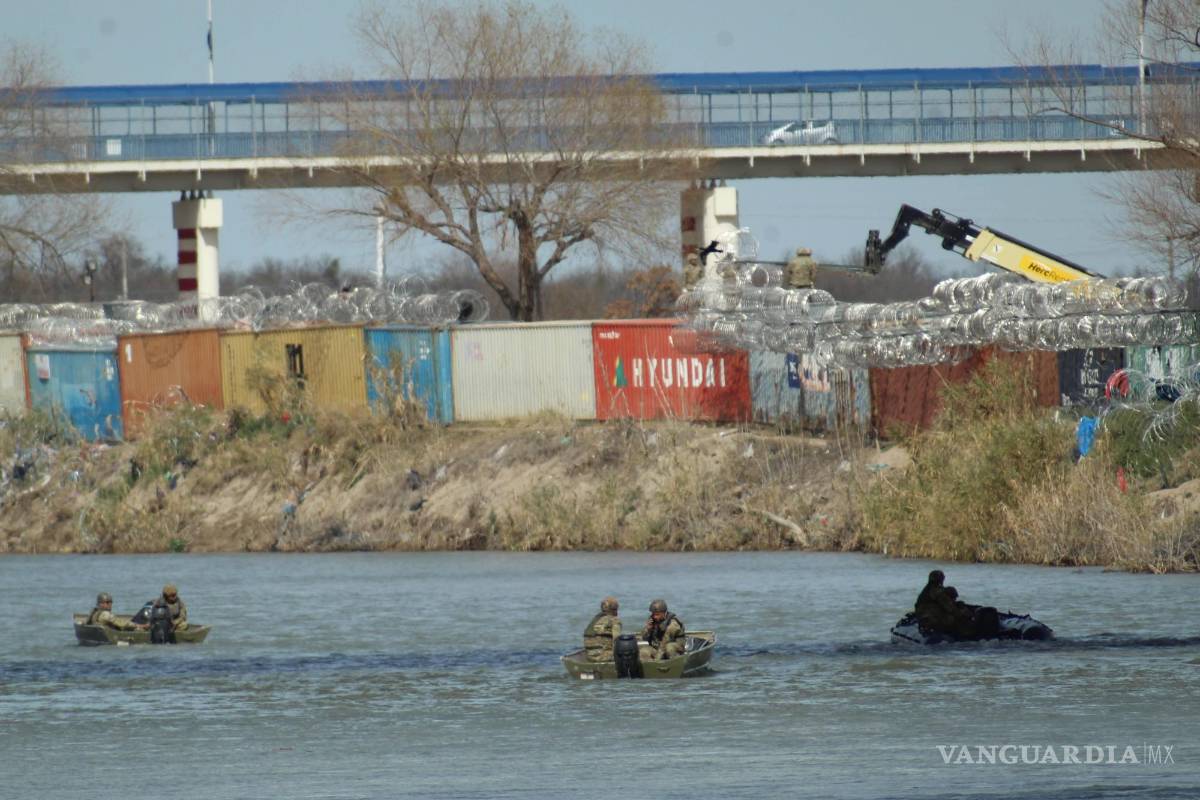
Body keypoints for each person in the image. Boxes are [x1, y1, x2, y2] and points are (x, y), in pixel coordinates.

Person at [913, 570, 959, 634]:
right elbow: (950, 608)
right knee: (954, 619)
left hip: (922, 614)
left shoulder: (927, 588)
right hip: (929, 616)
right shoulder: (936, 590)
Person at [582, 596, 622, 663]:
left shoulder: (595, 619)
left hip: (589, 657)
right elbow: (617, 641)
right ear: (615, 609)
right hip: (605, 656)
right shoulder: (614, 620)